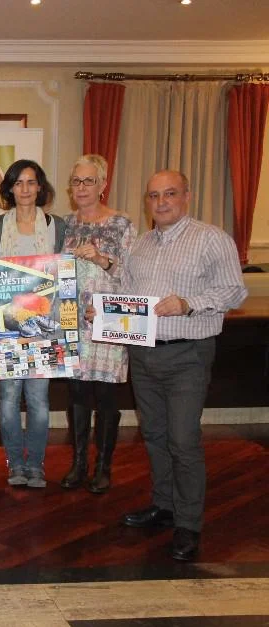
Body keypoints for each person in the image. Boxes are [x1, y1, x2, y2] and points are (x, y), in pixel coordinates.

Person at [119, 170, 246, 562]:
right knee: (154, 435)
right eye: (154, 195)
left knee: (183, 439)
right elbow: (127, 293)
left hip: (187, 354)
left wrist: (188, 303)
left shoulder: (211, 239)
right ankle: (165, 506)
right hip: (144, 354)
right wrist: (104, 312)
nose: (161, 202)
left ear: (186, 196)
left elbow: (235, 291)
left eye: (170, 194)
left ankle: (188, 524)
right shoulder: (140, 244)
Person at [59, 155, 137, 494]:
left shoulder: (121, 224)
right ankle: (78, 464)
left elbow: (133, 276)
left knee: (105, 395)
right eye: (76, 181)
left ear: (103, 184)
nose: (82, 187)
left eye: (89, 181)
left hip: (107, 322)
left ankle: (103, 466)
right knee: (76, 394)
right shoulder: (64, 225)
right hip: (70, 322)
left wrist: (103, 259)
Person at [0, 160, 67, 488]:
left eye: (31, 182)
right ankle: (15, 464)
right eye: (18, 183)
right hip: (7, 327)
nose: (25, 189)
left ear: (40, 187)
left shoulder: (56, 226)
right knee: (8, 398)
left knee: (39, 400)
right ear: (9, 188)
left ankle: (36, 464)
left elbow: (65, 274)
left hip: (45, 326)